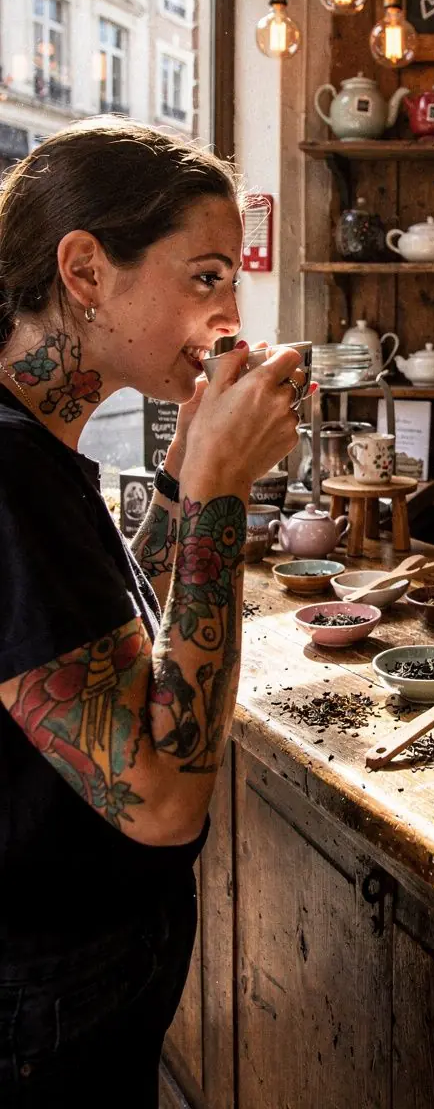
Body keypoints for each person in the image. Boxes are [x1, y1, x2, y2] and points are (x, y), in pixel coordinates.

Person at [0, 118, 306, 1107]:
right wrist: (220, 491)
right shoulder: (9, 470)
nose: (229, 315)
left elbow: (92, 641)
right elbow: (164, 803)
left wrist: (179, 481)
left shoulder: (34, 445)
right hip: (39, 1012)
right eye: (207, 276)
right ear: (85, 271)